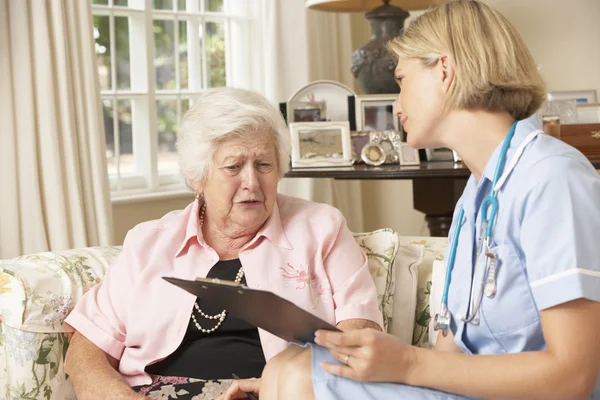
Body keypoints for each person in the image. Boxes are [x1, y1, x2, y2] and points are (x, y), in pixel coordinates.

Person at [221, 1, 600, 399]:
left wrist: (407, 362)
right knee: (286, 368)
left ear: (445, 70)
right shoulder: (476, 196)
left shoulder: (552, 177)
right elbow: (451, 353)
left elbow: (573, 377)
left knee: (300, 379)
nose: (396, 105)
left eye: (402, 79)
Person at [63, 87, 383, 399]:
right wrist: (117, 395)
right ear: (198, 177)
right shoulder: (148, 243)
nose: (251, 183)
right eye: (233, 167)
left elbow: (360, 335)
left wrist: (280, 384)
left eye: (264, 165)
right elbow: (87, 346)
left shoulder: (322, 229)